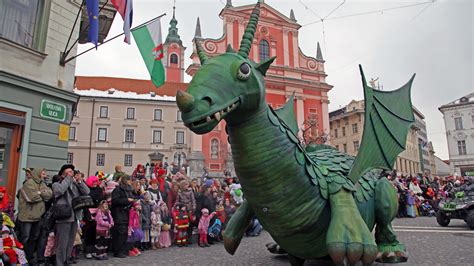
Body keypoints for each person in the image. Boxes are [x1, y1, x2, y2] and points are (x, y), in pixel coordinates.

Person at [52, 165, 90, 266]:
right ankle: (59, 263)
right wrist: (68, 179)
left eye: (72, 172)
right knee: (62, 243)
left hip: (74, 216)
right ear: (63, 174)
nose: (71, 173)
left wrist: (80, 181)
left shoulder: (74, 184)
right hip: (64, 216)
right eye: (69, 172)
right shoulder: (57, 184)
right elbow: (59, 191)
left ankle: (66, 260)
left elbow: (87, 192)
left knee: (70, 242)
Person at [16, 168, 52, 264]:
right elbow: (32, 198)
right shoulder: (29, 183)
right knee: (25, 237)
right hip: (27, 216)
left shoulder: (42, 183)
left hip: (38, 216)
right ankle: (21, 258)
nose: (45, 175)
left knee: (34, 238)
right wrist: (42, 193)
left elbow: (49, 195)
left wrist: (40, 192)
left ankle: (29, 257)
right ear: (38, 174)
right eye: (43, 173)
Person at [111, 175, 134, 258]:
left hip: (127, 213)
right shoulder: (117, 190)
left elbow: (132, 198)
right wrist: (126, 200)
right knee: (120, 233)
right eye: (130, 180)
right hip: (119, 213)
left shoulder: (130, 190)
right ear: (126, 181)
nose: (131, 182)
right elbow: (114, 201)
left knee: (124, 233)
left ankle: (123, 250)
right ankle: (117, 251)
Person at [83, 175, 105, 259]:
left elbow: (100, 199)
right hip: (88, 213)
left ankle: (93, 250)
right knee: (89, 232)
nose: (95, 183)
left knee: (96, 233)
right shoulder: (87, 189)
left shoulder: (99, 189)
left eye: (96, 182)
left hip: (97, 212)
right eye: (93, 182)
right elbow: (89, 198)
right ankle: (88, 250)